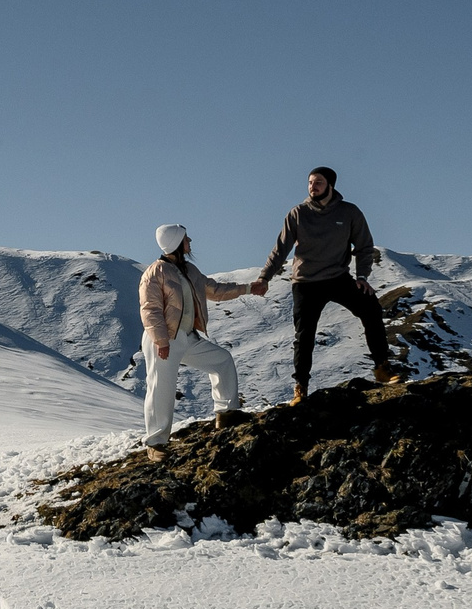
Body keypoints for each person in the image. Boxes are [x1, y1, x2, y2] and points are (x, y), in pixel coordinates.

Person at [254, 167, 399, 403]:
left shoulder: (349, 212)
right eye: (310, 182)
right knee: (305, 335)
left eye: (318, 182)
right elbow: (280, 249)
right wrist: (264, 277)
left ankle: (382, 367)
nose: (313, 186)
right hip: (306, 283)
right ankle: (300, 387)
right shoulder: (297, 214)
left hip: (337, 278)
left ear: (330, 185)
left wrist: (362, 277)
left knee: (371, 307)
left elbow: (364, 247)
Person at [138, 224, 260, 446]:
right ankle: (155, 443)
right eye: (186, 238)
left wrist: (249, 288)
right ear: (175, 242)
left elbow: (215, 290)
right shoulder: (155, 272)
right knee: (160, 388)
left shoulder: (190, 270)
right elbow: (150, 309)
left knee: (222, 360)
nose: (190, 241)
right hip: (163, 339)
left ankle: (226, 413)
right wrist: (161, 340)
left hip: (186, 337)